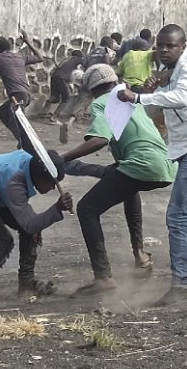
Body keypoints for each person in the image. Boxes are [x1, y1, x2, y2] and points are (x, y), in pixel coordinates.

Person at [117, 24, 187, 305]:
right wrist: (155, 86)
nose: (164, 50)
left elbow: (181, 98)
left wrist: (138, 96)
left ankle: (181, 286)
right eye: (161, 45)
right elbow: (164, 103)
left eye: (171, 46)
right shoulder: (175, 72)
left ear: (182, 48)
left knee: (178, 216)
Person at [63, 65, 175, 293]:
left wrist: (62, 158)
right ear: (115, 81)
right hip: (166, 164)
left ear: (91, 90)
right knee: (126, 185)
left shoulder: (102, 102)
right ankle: (140, 255)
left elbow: (99, 140)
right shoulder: (130, 97)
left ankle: (103, 278)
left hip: (141, 165)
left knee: (87, 208)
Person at [0, 149, 72, 308]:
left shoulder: (32, 164)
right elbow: (30, 224)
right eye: (52, 183)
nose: (52, 188)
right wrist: (57, 208)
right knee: (3, 241)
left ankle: (26, 282)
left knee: (33, 230)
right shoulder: (13, 181)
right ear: (39, 177)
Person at [0, 32, 44, 143]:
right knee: (1, 111)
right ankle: (20, 138)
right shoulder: (20, 56)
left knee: (20, 122)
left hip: (17, 96)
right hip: (25, 95)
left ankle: (26, 142)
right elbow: (40, 57)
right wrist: (27, 42)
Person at [47, 50, 85, 142]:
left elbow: (59, 66)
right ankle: (54, 117)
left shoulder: (66, 59)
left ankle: (46, 109)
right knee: (66, 99)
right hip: (62, 78)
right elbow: (85, 64)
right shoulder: (78, 59)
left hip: (54, 76)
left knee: (55, 98)